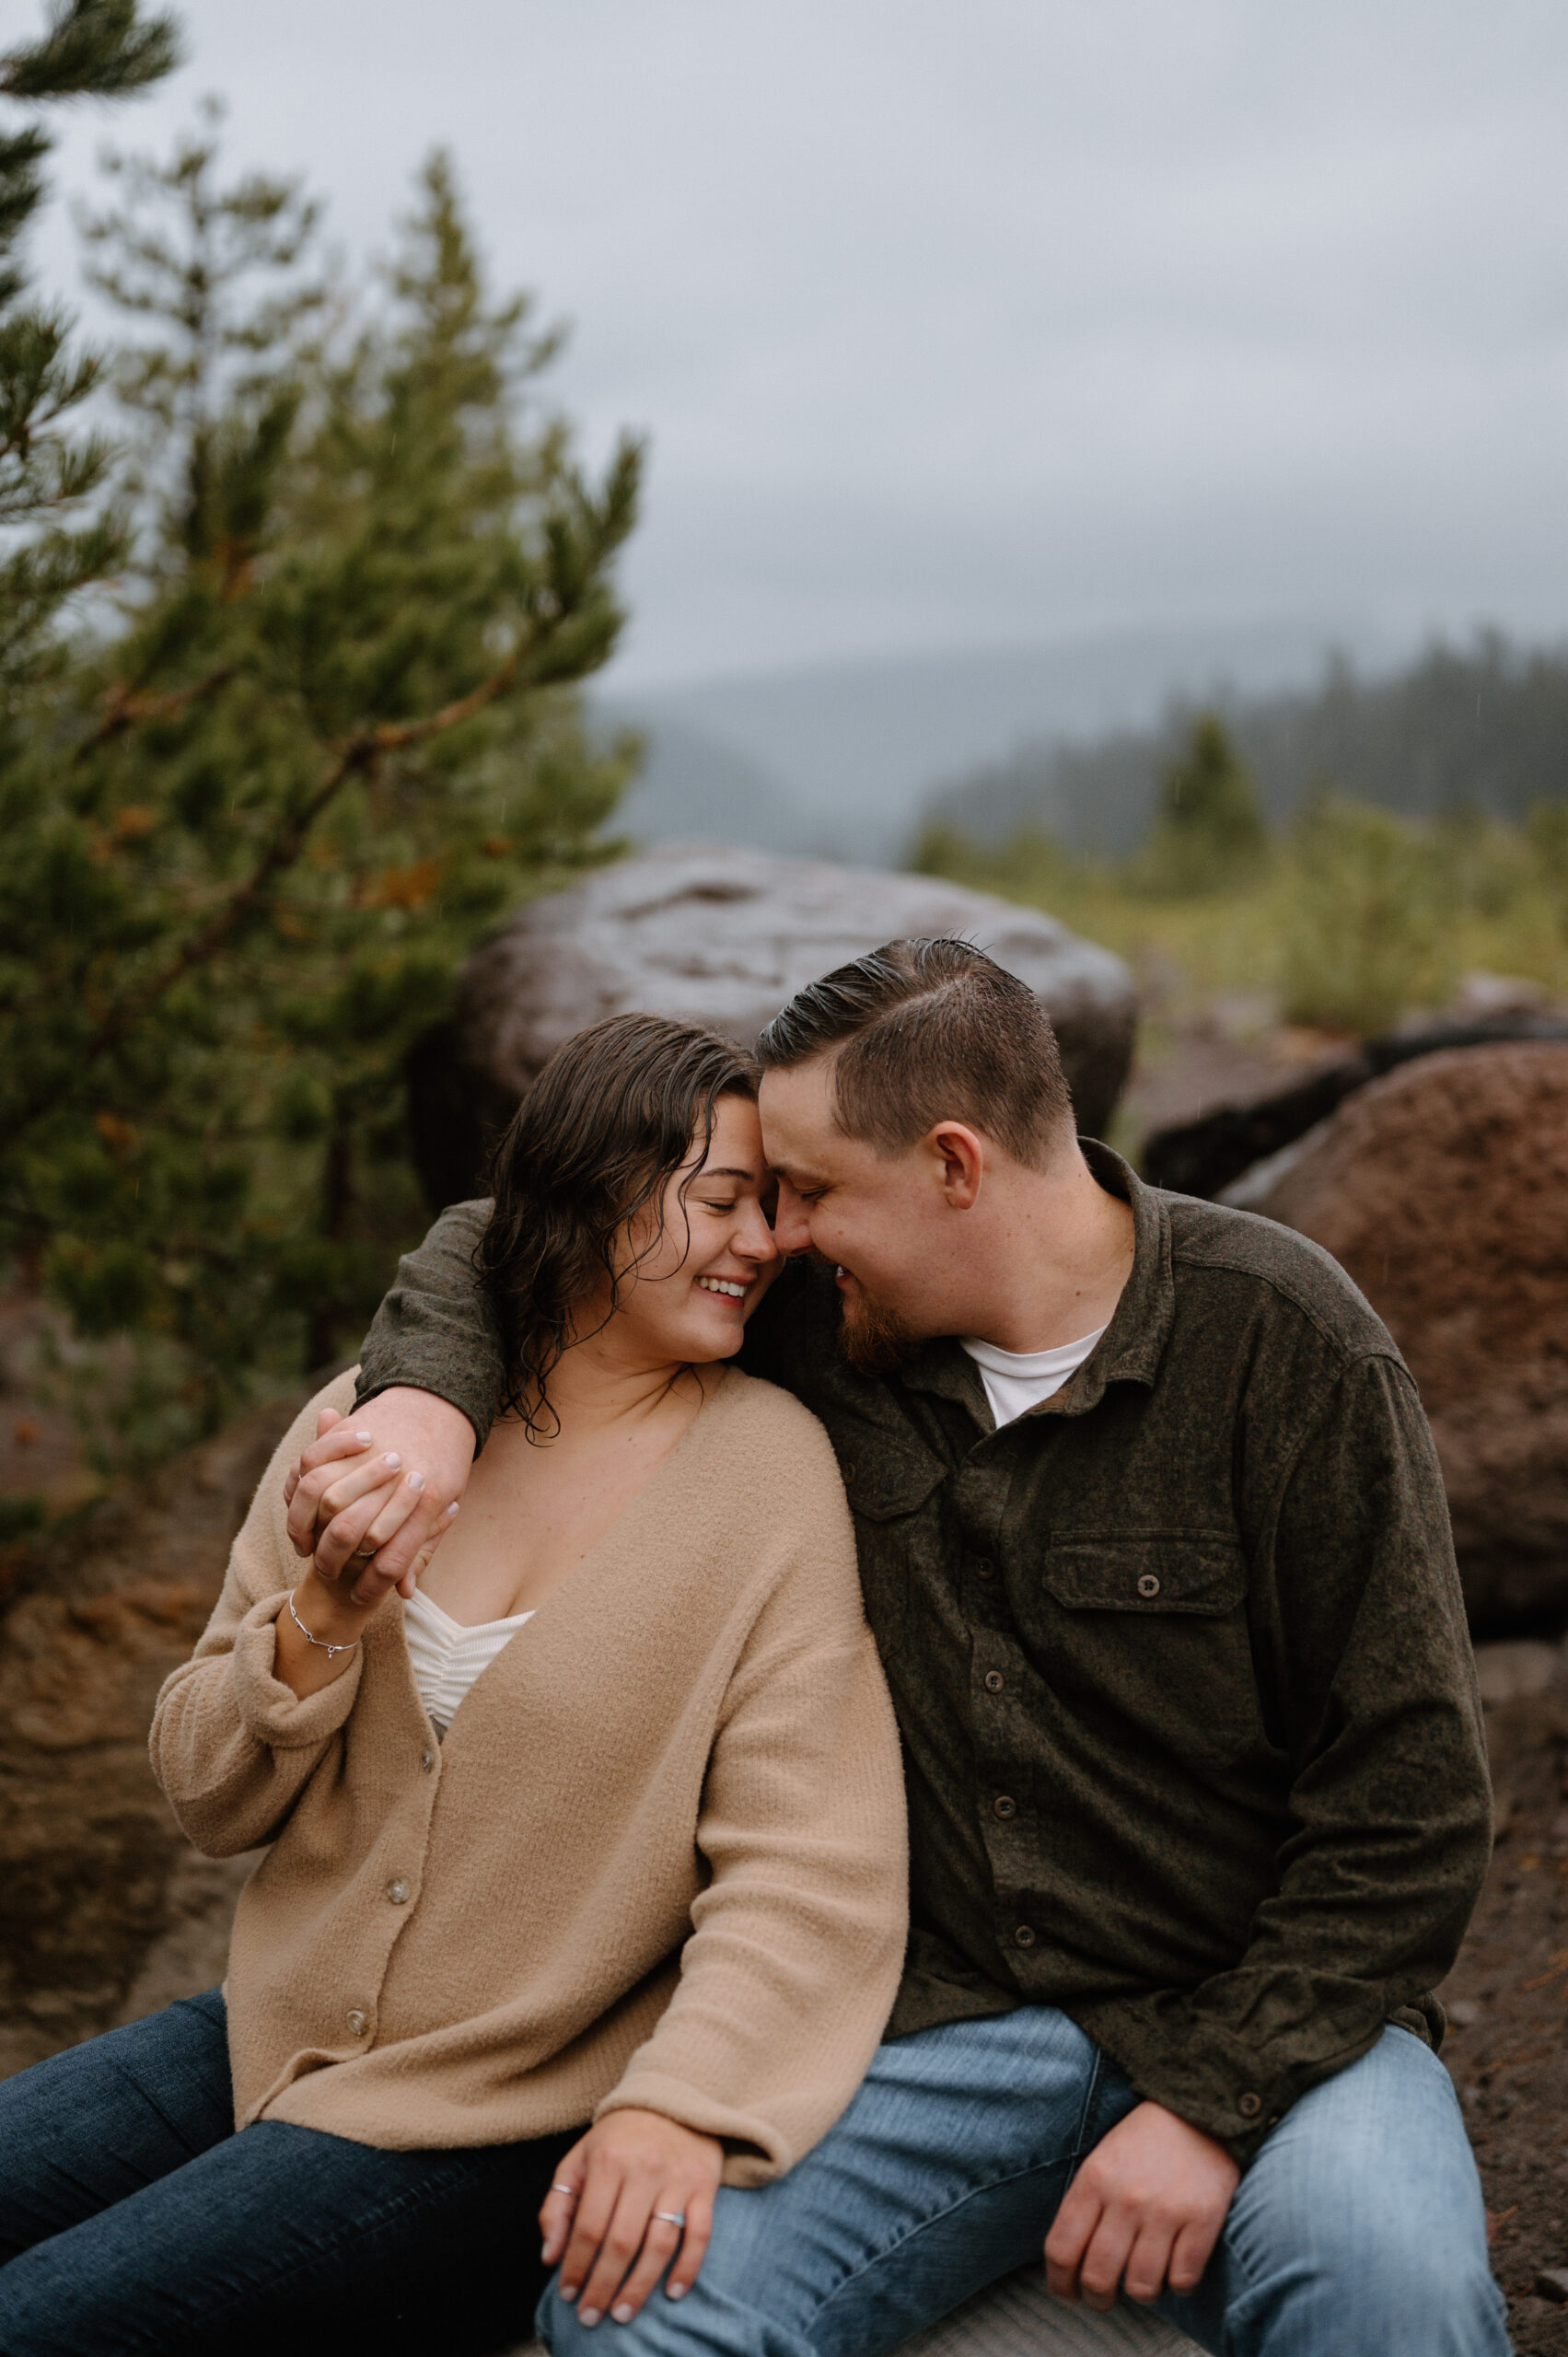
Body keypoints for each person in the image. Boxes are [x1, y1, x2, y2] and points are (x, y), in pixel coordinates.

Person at [304, 936, 1508, 2357]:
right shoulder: (821, 1322)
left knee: (1394, 2297)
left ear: (954, 1167)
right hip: (936, 2034)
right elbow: (497, 1236)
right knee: (632, 2317)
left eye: (810, 1191)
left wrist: (1206, 2103)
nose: (780, 1235)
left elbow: (1411, 1807)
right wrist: (430, 1408)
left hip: (1275, 2020)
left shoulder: (1289, 1346)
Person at [0, 1015, 907, 2357]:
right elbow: (203, 1791)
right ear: (595, 1195)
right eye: (721, 1202)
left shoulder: (767, 1475)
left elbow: (810, 1864)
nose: (762, 1242)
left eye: (773, 1210)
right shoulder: (370, 1425)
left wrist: (686, 2102)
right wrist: (323, 1614)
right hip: (271, 2025)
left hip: (502, 2118)